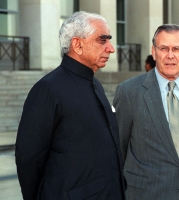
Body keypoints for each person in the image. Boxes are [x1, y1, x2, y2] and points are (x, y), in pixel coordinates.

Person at [15, 11, 126, 200]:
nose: (111, 48)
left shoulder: (95, 84)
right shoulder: (48, 89)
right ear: (77, 44)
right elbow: (29, 160)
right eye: (102, 40)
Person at [113, 24, 179, 200]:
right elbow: (118, 148)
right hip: (145, 192)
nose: (170, 55)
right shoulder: (129, 92)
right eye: (164, 48)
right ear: (153, 51)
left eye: (177, 49)